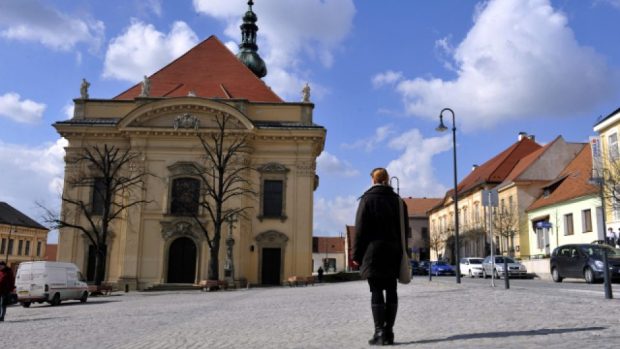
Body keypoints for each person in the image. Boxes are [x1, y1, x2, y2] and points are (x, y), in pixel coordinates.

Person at [353, 167, 409, 346]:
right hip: (393, 253)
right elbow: (404, 230)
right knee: (392, 290)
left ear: (373, 180)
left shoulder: (367, 199)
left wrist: (356, 255)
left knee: (376, 291)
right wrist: (403, 252)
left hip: (373, 254)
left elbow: (360, 229)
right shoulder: (399, 201)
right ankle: (389, 332)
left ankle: (379, 333)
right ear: (387, 180)